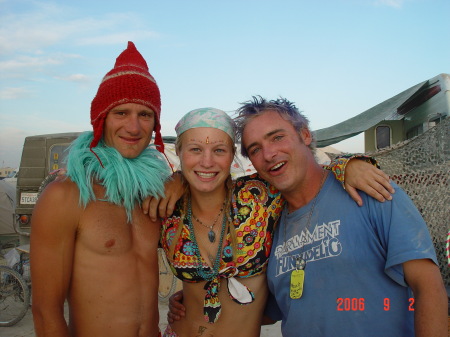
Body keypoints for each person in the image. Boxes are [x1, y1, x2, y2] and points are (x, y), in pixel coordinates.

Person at [157, 107, 395, 337]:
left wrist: (347, 164)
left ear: (232, 155)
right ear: (178, 152)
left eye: (219, 150)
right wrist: (176, 178)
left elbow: (305, 172)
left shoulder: (261, 194)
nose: (207, 162)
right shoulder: (165, 208)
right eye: (195, 150)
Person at [233, 97, 447, 336]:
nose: (269, 154)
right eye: (255, 149)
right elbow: (270, 310)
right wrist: (198, 295)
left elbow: (428, 285)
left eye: (277, 137)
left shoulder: (371, 191)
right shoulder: (267, 225)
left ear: (305, 135)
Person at [30, 41, 171, 337]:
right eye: (121, 113)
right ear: (101, 119)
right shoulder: (66, 196)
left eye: (145, 115)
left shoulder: (154, 193)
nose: (134, 127)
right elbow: (46, 311)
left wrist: (180, 181)